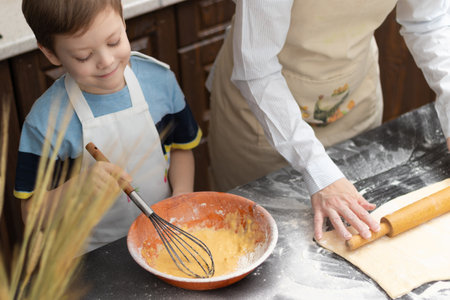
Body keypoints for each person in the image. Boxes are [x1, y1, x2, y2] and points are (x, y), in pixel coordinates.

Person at [207, 0, 450, 242]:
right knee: (252, 238)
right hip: (262, 113)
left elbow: (429, 22)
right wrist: (318, 170)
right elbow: (256, 69)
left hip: (352, 94)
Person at [14, 0, 202, 252]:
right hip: (91, 257)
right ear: (51, 53)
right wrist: (78, 188)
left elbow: (181, 148)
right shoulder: (45, 122)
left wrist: (180, 197)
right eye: (83, 56)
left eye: (114, 41)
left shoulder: (160, 81)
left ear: (123, 21)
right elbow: (31, 215)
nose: (106, 61)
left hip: (163, 236)